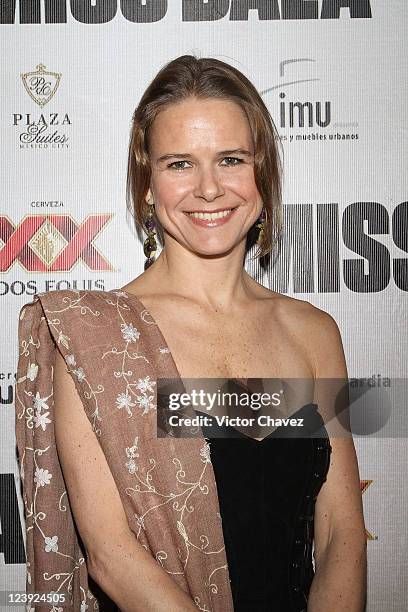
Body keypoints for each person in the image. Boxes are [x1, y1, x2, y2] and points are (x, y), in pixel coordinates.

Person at [15, 54, 367, 612]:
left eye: (231, 159)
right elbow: (111, 555)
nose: (208, 189)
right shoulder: (91, 336)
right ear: (147, 184)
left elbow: (341, 533)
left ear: (263, 175)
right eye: (179, 163)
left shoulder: (315, 332)